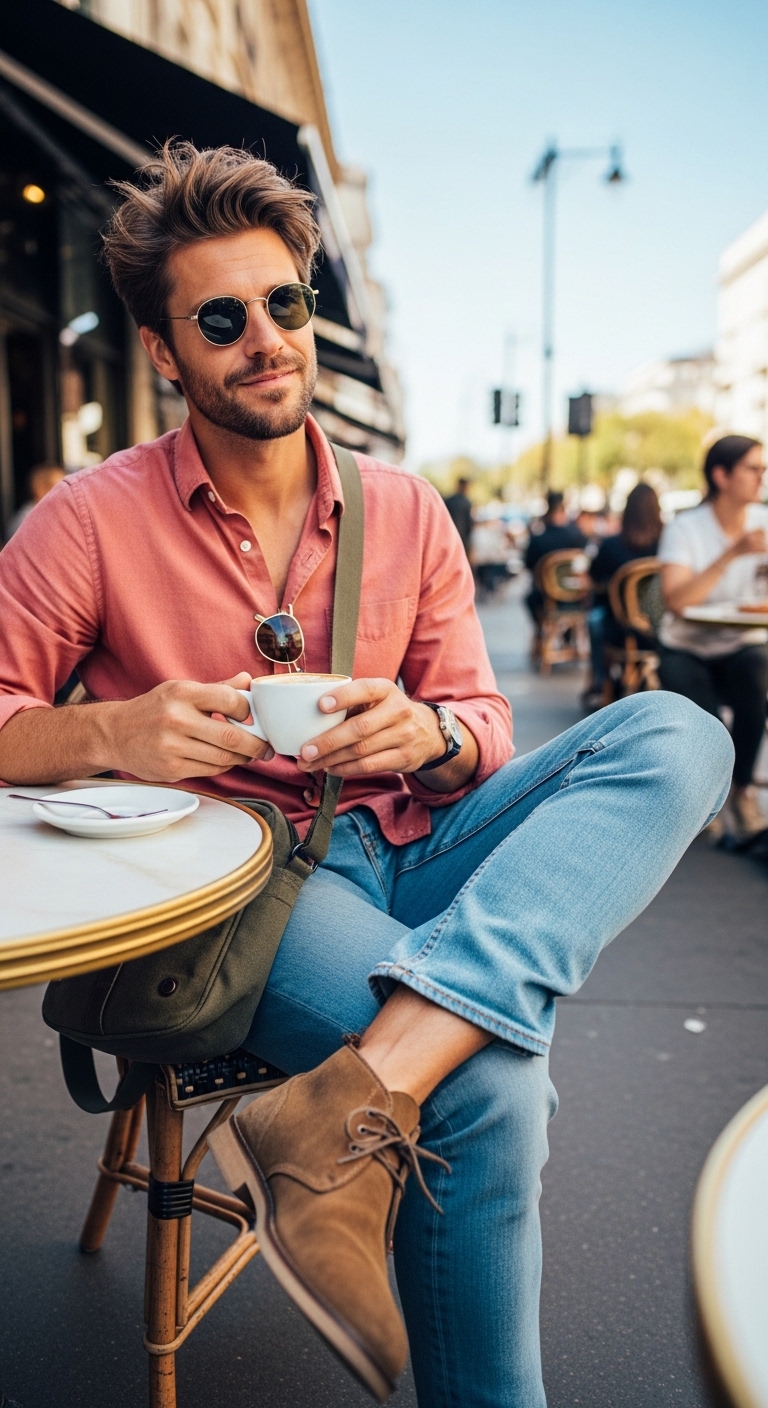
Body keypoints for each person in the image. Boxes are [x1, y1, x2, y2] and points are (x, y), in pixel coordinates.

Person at [0, 142, 732, 1408]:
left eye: (284, 303)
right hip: (236, 885)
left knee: (681, 734)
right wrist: (112, 731)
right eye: (221, 318)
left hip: (413, 844)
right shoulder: (90, 517)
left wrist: (428, 735)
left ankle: (369, 1077)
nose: (266, 338)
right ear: (165, 352)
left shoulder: (404, 509)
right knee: (494, 1081)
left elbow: (485, 721)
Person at [658, 435, 768, 839]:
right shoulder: (685, 529)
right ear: (721, 475)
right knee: (705, 720)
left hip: (739, 643)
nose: (762, 477)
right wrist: (731, 554)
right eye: (753, 468)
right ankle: (711, 800)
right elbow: (677, 601)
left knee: (758, 671)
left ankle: (742, 791)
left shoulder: (764, 522)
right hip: (687, 644)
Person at [584, 483, 662, 708]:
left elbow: (593, 578)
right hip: (659, 629)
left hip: (619, 629)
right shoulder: (668, 545)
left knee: (594, 620)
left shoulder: (610, 545)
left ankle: (601, 680)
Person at [524, 490, 588, 622]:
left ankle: (542, 630)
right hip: (576, 595)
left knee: (530, 598)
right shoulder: (578, 537)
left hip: (546, 597)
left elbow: (528, 565)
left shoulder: (538, 539)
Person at [4, 463, 66, 541]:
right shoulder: (29, 517)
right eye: (57, 488)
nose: (63, 494)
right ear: (40, 488)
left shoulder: (50, 513)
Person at [443, 476, 473, 555]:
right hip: (461, 537)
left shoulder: (449, 500)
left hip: (450, 536)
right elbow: (469, 523)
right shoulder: (466, 502)